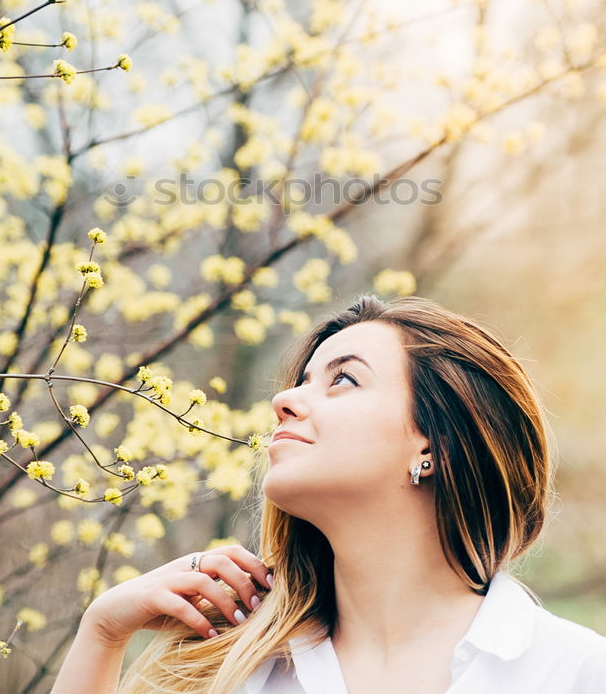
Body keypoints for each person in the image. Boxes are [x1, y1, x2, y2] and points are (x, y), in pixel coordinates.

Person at [50, 295, 606, 694]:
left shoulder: (575, 672)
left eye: (343, 379)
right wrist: (103, 632)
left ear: (435, 444)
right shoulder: (229, 670)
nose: (286, 399)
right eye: (302, 379)